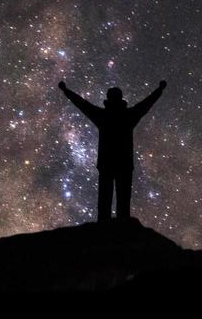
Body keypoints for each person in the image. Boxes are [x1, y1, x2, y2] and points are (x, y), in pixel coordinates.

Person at [58, 79, 166, 221]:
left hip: (107, 164)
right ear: (121, 98)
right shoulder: (129, 116)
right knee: (123, 201)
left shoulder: (103, 116)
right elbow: (146, 103)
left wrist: (67, 91)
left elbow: (82, 104)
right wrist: (159, 90)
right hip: (124, 164)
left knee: (105, 200)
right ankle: (120, 234)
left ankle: (104, 231)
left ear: (108, 99)